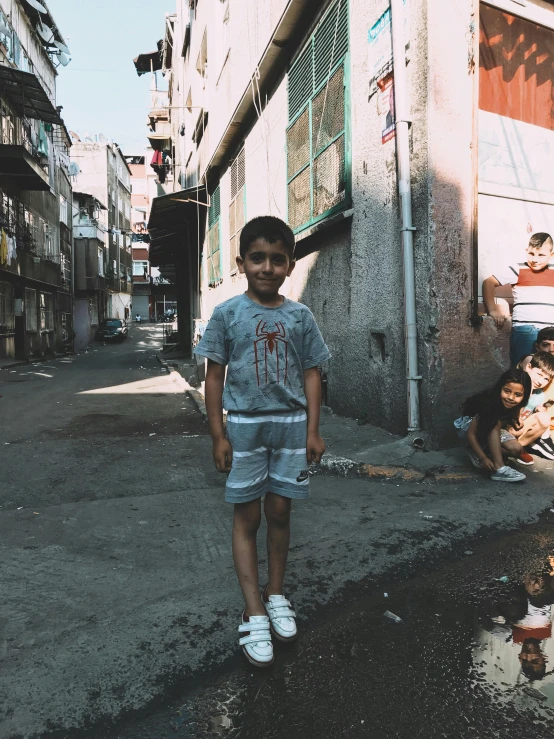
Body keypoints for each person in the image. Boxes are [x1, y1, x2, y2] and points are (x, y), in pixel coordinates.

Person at [194, 215, 330, 668]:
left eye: (277, 259)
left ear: (290, 265)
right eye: (258, 258)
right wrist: (218, 435)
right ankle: (253, 610)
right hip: (246, 427)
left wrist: (312, 429)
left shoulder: (300, 316)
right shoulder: (228, 314)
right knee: (247, 515)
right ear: (242, 263)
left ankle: (276, 595)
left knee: (280, 511)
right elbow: (214, 377)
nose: (267, 267)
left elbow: (312, 373)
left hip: (290, 426)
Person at [483, 232, 554, 365]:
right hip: (526, 329)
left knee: (549, 371)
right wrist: (492, 310)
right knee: (522, 370)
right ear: (526, 251)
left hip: (550, 332)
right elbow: (488, 282)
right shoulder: (519, 269)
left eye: (541, 255)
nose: (535, 259)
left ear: (551, 255)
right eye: (531, 254)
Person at [454, 368, 531, 481]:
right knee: (494, 421)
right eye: (507, 391)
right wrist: (483, 458)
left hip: (489, 430)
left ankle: (490, 453)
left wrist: (516, 420)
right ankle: (499, 469)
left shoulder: (516, 405)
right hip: (468, 431)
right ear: (500, 388)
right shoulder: (488, 404)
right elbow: (471, 434)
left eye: (518, 394)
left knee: (516, 449)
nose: (511, 398)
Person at [512, 352, 554, 459]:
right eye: (539, 374)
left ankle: (521, 446)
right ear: (529, 367)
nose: (540, 381)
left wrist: (541, 409)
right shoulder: (514, 386)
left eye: (546, 379)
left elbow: (541, 407)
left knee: (544, 417)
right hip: (504, 428)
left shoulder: (539, 395)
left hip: (520, 430)